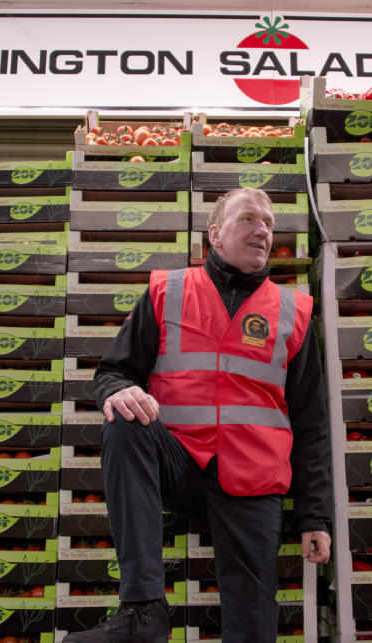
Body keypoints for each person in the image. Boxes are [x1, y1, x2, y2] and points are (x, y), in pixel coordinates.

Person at [63, 187, 332, 643]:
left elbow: (312, 423)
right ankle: (143, 611)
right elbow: (113, 371)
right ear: (215, 234)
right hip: (180, 464)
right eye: (248, 218)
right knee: (124, 418)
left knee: (253, 624)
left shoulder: (294, 312)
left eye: (269, 222)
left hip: (252, 479)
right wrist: (122, 389)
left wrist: (315, 516)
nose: (263, 230)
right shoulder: (168, 292)